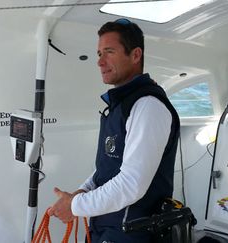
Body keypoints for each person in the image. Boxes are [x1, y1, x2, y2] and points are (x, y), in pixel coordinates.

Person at [48, 18, 180, 243]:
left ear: (135, 55)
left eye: (109, 51)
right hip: (108, 227)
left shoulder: (148, 106)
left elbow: (131, 183)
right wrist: (83, 192)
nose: (100, 62)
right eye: (99, 53)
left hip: (132, 231)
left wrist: (76, 206)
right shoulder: (120, 106)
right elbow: (109, 167)